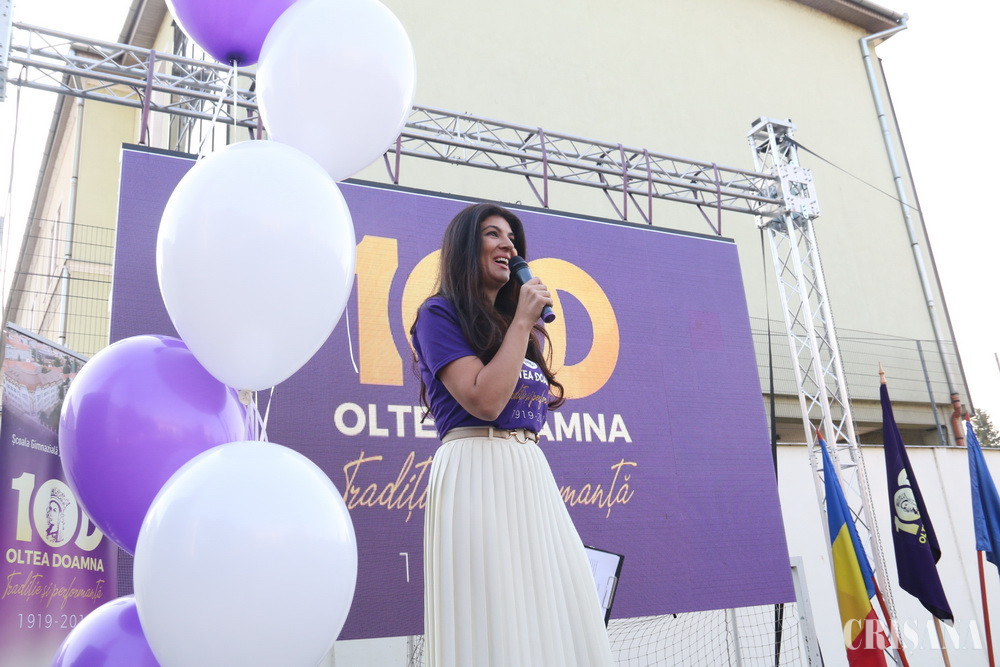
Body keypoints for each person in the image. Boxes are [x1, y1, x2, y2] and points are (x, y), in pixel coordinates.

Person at [410, 202, 614, 667]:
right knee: (495, 611)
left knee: (559, 602)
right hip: (476, 467)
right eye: (493, 234)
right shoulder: (439, 314)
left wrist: (519, 324)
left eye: (513, 238)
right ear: (465, 247)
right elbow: (484, 400)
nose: (509, 245)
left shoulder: (512, 325)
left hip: (528, 471)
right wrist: (523, 321)